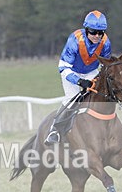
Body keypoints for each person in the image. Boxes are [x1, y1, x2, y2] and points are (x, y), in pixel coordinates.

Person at [44, 10, 112, 145]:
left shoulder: (106, 43)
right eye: (93, 31)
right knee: (73, 99)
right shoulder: (74, 40)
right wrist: (79, 81)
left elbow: (105, 66)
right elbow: (63, 67)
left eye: (101, 32)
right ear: (86, 29)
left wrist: (99, 79)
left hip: (92, 72)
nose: (97, 35)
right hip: (71, 72)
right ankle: (55, 130)